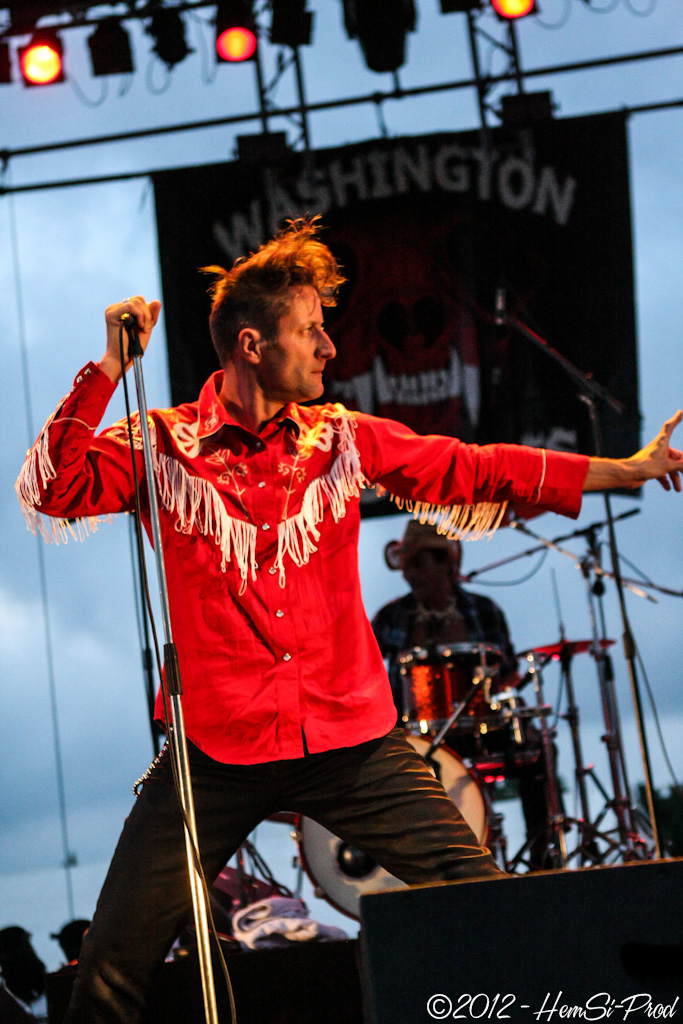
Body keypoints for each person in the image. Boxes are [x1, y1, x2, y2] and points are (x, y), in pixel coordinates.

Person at [15, 218, 682, 1023]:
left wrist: (628, 469)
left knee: (491, 902)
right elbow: (51, 488)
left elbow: (474, 467)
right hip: (216, 752)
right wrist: (109, 367)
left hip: (351, 742)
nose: (330, 348)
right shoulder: (163, 445)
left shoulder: (340, 439)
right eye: (311, 331)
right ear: (253, 344)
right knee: (111, 966)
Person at [372, 520, 558, 869]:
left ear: (447, 563)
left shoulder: (484, 610)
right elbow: (363, 672)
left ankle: (542, 856)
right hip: (414, 738)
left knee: (538, 749)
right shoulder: (391, 617)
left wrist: (502, 691)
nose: (411, 574)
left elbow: (507, 672)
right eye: (407, 565)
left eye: (419, 563)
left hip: (482, 729)